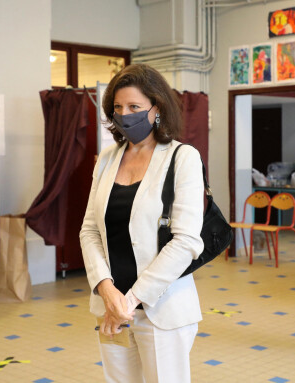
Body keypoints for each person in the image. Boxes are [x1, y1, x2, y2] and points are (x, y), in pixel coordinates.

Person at [79, 63, 205, 383]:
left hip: (160, 309)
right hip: (111, 308)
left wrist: (130, 299)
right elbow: (90, 229)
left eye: (135, 107)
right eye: (118, 107)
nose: (126, 114)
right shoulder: (108, 158)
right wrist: (107, 291)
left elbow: (186, 240)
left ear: (156, 108)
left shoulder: (182, 157)